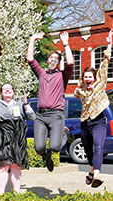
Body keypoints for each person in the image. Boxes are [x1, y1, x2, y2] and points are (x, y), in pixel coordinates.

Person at [27, 31, 74, 172]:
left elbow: (70, 63)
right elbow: (30, 59)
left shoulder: (62, 75)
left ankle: (64, 134)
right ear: (48, 61)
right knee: (39, 148)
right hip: (40, 116)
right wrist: (33, 39)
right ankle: (46, 156)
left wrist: (66, 44)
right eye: (51, 57)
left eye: (56, 58)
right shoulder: (41, 73)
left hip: (56, 115)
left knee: (55, 146)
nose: (53, 59)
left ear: (58, 62)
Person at [74, 29, 113, 188]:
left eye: (90, 76)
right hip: (85, 122)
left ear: (94, 77)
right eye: (86, 77)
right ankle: (91, 171)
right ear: (83, 79)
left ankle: (97, 175)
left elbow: (105, 62)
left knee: (98, 146)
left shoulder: (100, 84)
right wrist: (78, 89)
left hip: (98, 122)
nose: (88, 79)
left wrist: (109, 44)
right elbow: (77, 93)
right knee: (88, 150)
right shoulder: (81, 89)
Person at [0, 84, 35, 194]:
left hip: (18, 138)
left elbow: (32, 117)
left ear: (13, 91)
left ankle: (16, 193)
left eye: (10, 89)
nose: (7, 91)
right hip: (3, 138)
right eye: (4, 89)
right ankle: (2, 195)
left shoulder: (20, 103)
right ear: (1, 93)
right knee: (3, 166)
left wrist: (26, 104)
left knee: (16, 166)